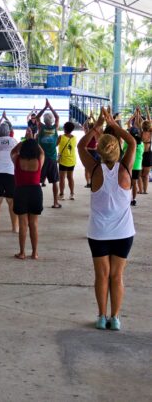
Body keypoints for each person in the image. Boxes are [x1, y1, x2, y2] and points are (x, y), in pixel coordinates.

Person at [77, 107, 136, 331]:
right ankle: (116, 317)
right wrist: (115, 125)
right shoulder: (125, 170)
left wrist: (98, 125)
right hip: (123, 233)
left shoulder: (94, 170)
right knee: (117, 276)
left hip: (99, 233)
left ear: (99, 151)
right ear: (117, 150)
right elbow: (131, 143)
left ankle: (101, 316)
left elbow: (82, 146)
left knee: (101, 275)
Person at [11, 133, 45, 260]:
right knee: (34, 224)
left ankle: (22, 252)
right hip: (35, 191)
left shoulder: (17, 159)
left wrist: (24, 141)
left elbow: (13, 151)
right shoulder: (39, 160)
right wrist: (34, 141)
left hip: (21, 191)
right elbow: (42, 152)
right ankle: (35, 253)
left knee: (23, 223)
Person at [36, 99, 61, 209]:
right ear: (51, 120)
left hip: (41, 159)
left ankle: (38, 203)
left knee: (38, 182)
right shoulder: (55, 128)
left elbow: (37, 117)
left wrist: (45, 108)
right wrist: (50, 107)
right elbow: (57, 117)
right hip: (52, 159)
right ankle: (55, 202)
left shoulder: (41, 128)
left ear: (44, 120)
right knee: (54, 181)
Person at [123, 127, 144, 206]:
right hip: (137, 165)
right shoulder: (141, 143)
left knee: (127, 183)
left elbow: (124, 151)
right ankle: (134, 199)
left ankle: (126, 199)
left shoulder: (127, 142)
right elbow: (141, 154)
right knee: (134, 183)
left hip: (128, 164)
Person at [57, 121, 77, 200]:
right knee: (70, 177)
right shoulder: (74, 137)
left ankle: (61, 194)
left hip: (63, 160)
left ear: (64, 128)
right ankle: (72, 194)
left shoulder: (61, 137)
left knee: (62, 178)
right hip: (72, 160)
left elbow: (55, 144)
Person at [141, 111, 151, 194]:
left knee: (141, 174)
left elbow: (137, 122)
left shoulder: (141, 133)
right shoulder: (149, 134)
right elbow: (150, 121)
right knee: (145, 175)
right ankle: (144, 190)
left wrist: (138, 113)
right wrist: (147, 111)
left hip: (143, 154)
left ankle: (142, 190)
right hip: (147, 155)